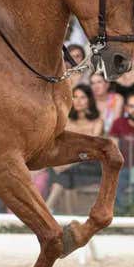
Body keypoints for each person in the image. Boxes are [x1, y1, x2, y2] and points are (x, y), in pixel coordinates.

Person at [46, 85, 103, 213]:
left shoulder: (97, 122)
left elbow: (90, 148)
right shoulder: (66, 121)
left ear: (89, 100)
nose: (78, 101)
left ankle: (47, 208)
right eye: (75, 97)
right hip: (67, 162)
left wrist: (67, 162)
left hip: (90, 163)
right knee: (56, 172)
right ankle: (49, 209)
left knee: (62, 174)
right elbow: (60, 145)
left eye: (82, 97)